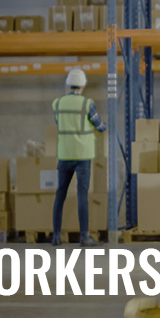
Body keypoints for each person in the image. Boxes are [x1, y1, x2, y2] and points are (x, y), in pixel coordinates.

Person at [51, 68, 107, 247]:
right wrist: (102, 126)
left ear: (69, 84)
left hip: (64, 154)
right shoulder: (87, 104)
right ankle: (84, 236)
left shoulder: (57, 103)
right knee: (82, 195)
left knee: (60, 194)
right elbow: (99, 126)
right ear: (83, 85)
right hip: (83, 155)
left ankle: (56, 236)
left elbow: (59, 123)